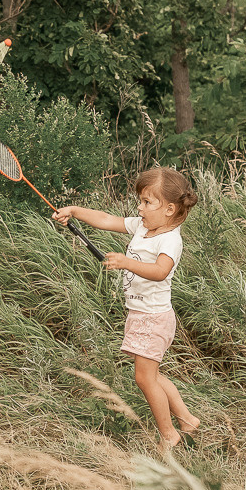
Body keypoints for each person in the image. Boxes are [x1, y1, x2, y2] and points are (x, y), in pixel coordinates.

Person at [52, 167, 200, 451]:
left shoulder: (169, 239)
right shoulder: (144, 228)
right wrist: (74, 210)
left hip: (154, 318)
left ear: (169, 209)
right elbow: (107, 219)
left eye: (147, 202)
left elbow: (160, 271)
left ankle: (169, 434)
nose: (140, 208)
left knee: (144, 378)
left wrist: (126, 263)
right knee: (152, 375)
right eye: (140, 201)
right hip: (141, 314)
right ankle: (187, 419)